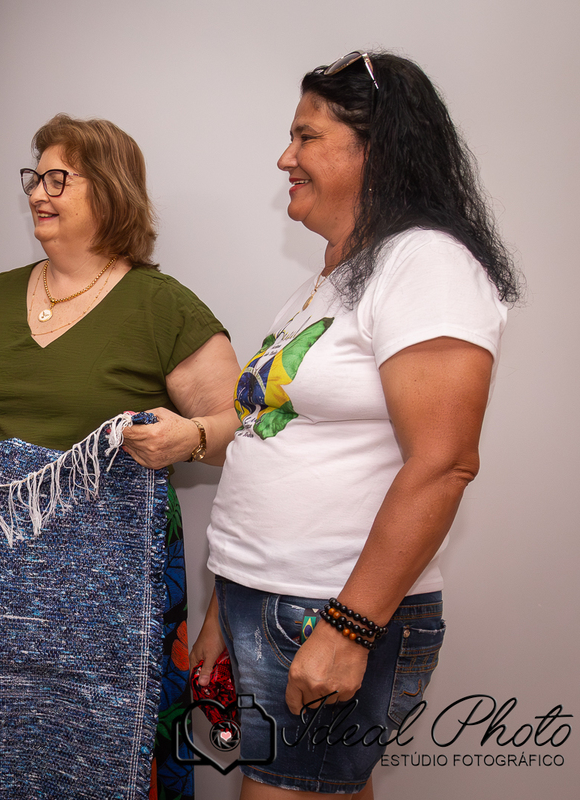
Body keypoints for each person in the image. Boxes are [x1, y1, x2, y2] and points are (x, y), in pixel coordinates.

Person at [190, 52, 521, 798]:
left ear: (378, 147)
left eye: (306, 136)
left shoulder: (427, 263)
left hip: (329, 610)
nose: (286, 158)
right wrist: (227, 608)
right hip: (273, 601)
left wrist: (350, 629)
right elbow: (269, 435)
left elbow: (443, 463)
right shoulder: (333, 281)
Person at [0, 113, 241, 800]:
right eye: (34, 179)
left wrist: (190, 438)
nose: (37, 193)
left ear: (109, 190)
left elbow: (243, 428)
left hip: (110, 594)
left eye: (58, 180)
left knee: (99, 752)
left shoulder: (160, 306)